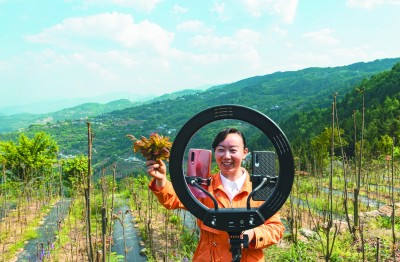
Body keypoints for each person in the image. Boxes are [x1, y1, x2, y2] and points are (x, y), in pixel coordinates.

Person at [146, 128, 284, 261]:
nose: (226, 156)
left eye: (233, 150)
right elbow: (176, 198)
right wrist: (161, 180)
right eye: (221, 150)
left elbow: (275, 228)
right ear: (214, 153)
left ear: (245, 152)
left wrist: (254, 234)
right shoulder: (203, 186)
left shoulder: (260, 188)